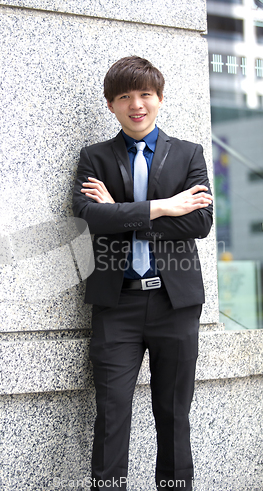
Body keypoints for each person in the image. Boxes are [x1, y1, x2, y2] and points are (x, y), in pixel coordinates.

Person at [72, 56, 213, 491]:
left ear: (160, 99)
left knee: (173, 415)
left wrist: (122, 210)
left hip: (176, 304)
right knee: (112, 414)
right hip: (117, 305)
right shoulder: (94, 157)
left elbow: (200, 224)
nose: (136, 104)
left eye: (145, 95)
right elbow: (89, 217)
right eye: (124, 97)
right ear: (110, 104)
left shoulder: (189, 153)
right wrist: (165, 206)